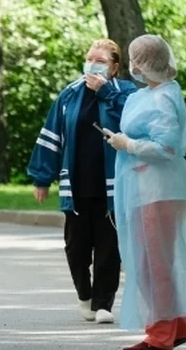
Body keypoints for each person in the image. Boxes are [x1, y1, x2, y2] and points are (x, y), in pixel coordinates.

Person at [28, 39, 136, 325]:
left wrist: (106, 92)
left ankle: (103, 303)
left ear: (114, 66)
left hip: (112, 185)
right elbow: (52, 134)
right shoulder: (70, 94)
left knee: (108, 247)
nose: (93, 64)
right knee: (76, 248)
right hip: (76, 184)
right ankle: (84, 295)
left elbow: (133, 120)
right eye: (90, 58)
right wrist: (42, 176)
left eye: (100, 60)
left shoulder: (125, 92)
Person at [105, 34, 186, 350]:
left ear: (149, 63)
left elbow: (168, 147)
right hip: (146, 188)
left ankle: (160, 333)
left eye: (137, 59)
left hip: (157, 190)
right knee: (152, 258)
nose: (133, 66)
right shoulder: (151, 93)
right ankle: (178, 323)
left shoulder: (162, 99)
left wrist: (128, 144)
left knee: (152, 262)